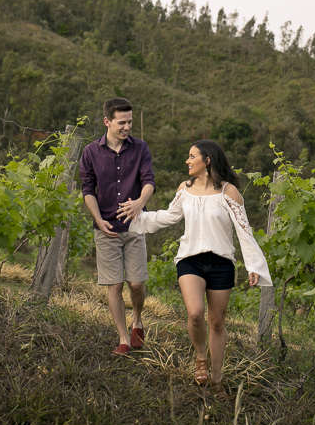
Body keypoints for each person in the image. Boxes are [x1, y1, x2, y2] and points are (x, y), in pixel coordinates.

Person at [118, 139, 272, 400]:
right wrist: (137, 215)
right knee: (196, 314)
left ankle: (216, 379)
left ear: (207, 160)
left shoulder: (229, 193)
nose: (187, 161)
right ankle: (201, 358)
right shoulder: (185, 189)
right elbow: (169, 216)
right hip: (189, 259)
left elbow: (244, 231)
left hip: (221, 263)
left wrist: (253, 265)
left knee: (217, 322)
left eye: (192, 157)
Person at [79, 97, 156, 355]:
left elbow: (149, 181)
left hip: (134, 226)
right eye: (122, 122)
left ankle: (137, 319)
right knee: (115, 285)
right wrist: (98, 219)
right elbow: (88, 189)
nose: (127, 127)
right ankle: (123, 338)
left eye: (130, 121)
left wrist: (140, 203)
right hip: (106, 229)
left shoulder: (141, 148)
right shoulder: (90, 152)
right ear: (107, 122)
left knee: (135, 284)